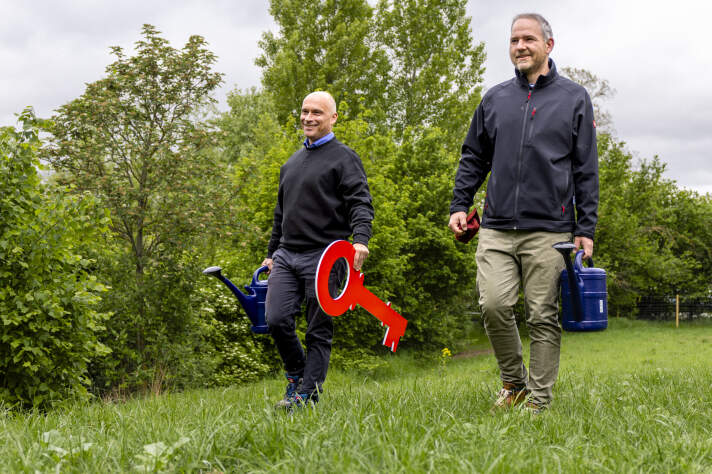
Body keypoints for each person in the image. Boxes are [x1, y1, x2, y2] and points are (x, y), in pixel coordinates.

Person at [448, 13, 598, 413]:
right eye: (514, 40)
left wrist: (586, 227)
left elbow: (586, 168)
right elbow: (473, 157)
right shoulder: (495, 98)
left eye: (528, 39)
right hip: (496, 225)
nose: (520, 46)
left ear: (549, 45)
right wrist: (460, 203)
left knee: (542, 316)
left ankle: (539, 402)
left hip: (550, 229)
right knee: (493, 305)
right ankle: (513, 384)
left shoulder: (574, 98)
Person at [262, 91, 374, 409]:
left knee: (318, 328)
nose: (308, 117)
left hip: (326, 256)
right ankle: (297, 375)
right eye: (305, 111)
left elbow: (360, 203)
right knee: (276, 319)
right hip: (287, 254)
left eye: (317, 113)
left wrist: (361, 240)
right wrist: (271, 252)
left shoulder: (344, 158)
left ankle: (306, 395)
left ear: (333, 118)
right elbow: (280, 214)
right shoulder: (291, 165)